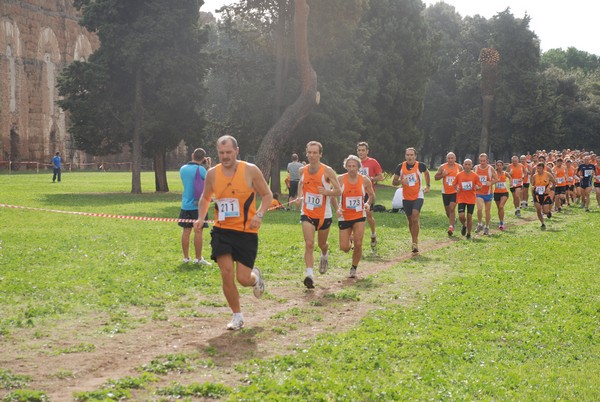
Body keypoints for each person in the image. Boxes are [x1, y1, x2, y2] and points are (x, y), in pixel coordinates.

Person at [193, 135, 272, 330]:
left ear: (237, 151)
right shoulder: (212, 174)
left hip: (246, 232)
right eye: (221, 153)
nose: (225, 156)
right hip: (222, 231)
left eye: (229, 152)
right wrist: (201, 217)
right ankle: (237, 315)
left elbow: (267, 195)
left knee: (243, 279)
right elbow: (205, 198)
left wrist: (260, 214)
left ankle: (255, 278)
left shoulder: (250, 170)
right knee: (226, 272)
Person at [296, 141, 341, 289]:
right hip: (307, 212)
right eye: (309, 152)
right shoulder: (302, 170)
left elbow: (339, 190)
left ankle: (324, 255)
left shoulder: (327, 171)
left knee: (322, 244)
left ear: (320, 154)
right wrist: (299, 196)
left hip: (324, 214)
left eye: (315, 152)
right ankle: (309, 275)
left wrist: (327, 192)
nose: (312, 155)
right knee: (309, 243)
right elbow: (301, 184)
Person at [333, 155, 375, 278]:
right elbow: (333, 195)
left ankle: (354, 268)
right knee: (344, 247)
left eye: (354, 166)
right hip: (345, 216)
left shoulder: (365, 180)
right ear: (346, 167)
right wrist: (337, 209)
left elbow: (371, 195)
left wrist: (367, 203)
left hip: (359, 215)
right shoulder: (340, 179)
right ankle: (349, 240)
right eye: (349, 166)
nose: (352, 168)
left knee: (359, 242)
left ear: (358, 167)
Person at [392, 147, 431, 254]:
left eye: (411, 155)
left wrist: (428, 186)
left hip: (418, 195)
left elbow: (427, 173)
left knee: (415, 217)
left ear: (415, 156)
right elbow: (394, 182)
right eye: (407, 155)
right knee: (410, 221)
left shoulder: (420, 165)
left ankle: (415, 242)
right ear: (405, 156)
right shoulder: (400, 167)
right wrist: (401, 181)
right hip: (406, 197)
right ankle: (413, 238)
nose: (409, 157)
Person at [179, 148, 212, 265]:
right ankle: (198, 259)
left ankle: (186, 258)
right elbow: (210, 180)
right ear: (203, 159)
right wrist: (208, 166)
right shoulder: (202, 170)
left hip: (185, 205)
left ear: (192, 155)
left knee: (186, 231)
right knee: (198, 232)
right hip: (199, 206)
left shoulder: (183, 169)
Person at [356, 141, 384, 250]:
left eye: (363, 150)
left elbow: (381, 177)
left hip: (369, 193)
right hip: (356, 193)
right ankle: (356, 240)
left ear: (367, 151)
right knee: (356, 218)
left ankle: (373, 234)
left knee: (368, 216)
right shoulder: (354, 162)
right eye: (359, 150)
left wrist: (371, 178)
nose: (361, 152)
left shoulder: (372, 162)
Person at [434, 152, 463, 236]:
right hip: (445, 192)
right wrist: (443, 175)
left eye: (452, 158)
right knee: (447, 211)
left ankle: (451, 227)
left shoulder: (459, 167)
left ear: (455, 158)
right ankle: (453, 220)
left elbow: (463, 177)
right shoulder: (442, 167)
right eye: (449, 158)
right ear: (447, 159)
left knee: (451, 208)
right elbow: (435, 177)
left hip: (455, 191)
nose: (450, 160)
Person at [454, 159, 482, 239]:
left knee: (469, 216)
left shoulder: (475, 175)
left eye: (469, 164)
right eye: (466, 164)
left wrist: (478, 187)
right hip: (461, 198)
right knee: (461, 216)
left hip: (471, 199)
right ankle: (464, 225)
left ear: (472, 165)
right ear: (463, 165)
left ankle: (469, 233)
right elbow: (454, 184)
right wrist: (457, 188)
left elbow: (480, 186)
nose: (467, 166)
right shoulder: (459, 175)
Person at [474, 153, 497, 235]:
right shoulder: (476, 168)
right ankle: (480, 224)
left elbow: (496, 179)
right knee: (479, 208)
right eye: (481, 161)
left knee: (487, 211)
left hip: (488, 193)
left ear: (487, 160)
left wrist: (490, 182)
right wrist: (475, 185)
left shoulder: (490, 168)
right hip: (479, 192)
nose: (482, 162)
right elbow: (473, 178)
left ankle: (487, 226)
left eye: (484, 161)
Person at [531, 162, 556, 229]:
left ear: (543, 168)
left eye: (540, 168)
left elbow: (554, 182)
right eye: (537, 168)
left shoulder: (548, 174)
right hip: (537, 195)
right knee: (538, 209)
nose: (538, 170)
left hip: (545, 195)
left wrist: (550, 188)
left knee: (544, 211)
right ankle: (542, 223)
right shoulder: (534, 176)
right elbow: (533, 185)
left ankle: (548, 213)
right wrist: (533, 189)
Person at [493, 160, 510, 231]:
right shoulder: (494, 174)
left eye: (500, 165)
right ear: (496, 166)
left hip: (504, 193)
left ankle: (502, 222)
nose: (499, 167)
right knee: (499, 208)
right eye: (498, 165)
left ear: (502, 166)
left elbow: (510, 177)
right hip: (496, 193)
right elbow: (491, 180)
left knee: (501, 206)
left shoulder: (505, 173)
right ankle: (500, 221)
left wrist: (512, 183)